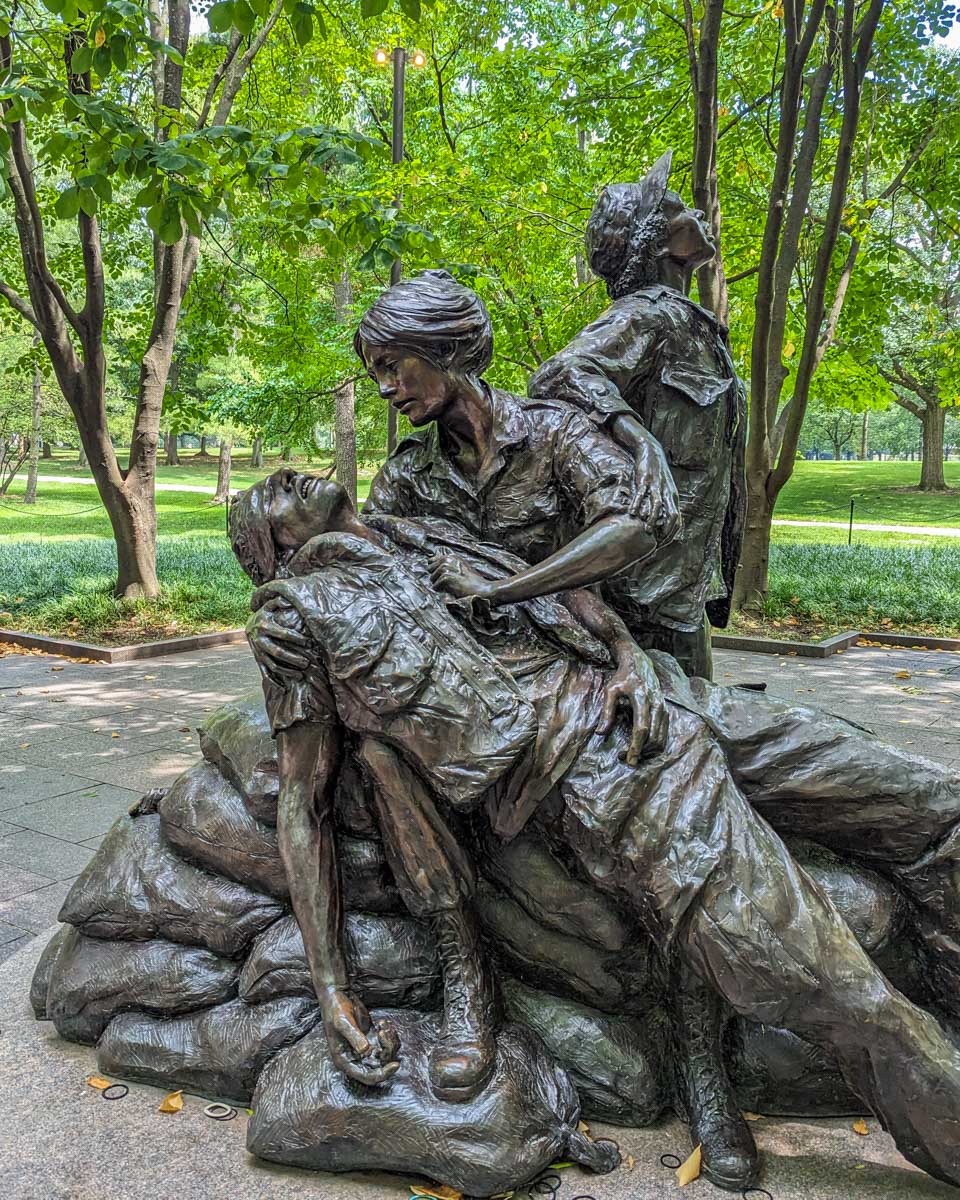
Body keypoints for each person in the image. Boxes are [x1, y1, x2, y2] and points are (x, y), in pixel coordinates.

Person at [248, 271, 960, 1192]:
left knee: (917, 798)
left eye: (394, 365)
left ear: (451, 349)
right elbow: (319, 772)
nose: (385, 388)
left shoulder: (547, 435)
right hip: (592, 747)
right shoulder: (394, 503)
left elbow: (628, 530)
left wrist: (614, 646)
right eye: (374, 369)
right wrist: (336, 986)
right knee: (778, 944)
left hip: (652, 674)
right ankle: (711, 1072)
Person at [529, 150, 744, 681]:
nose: (697, 214)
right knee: (675, 719)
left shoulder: (691, 324)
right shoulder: (646, 315)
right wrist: (638, 438)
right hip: (646, 589)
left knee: (693, 714)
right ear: (658, 240)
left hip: (683, 582)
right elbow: (560, 373)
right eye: (680, 210)